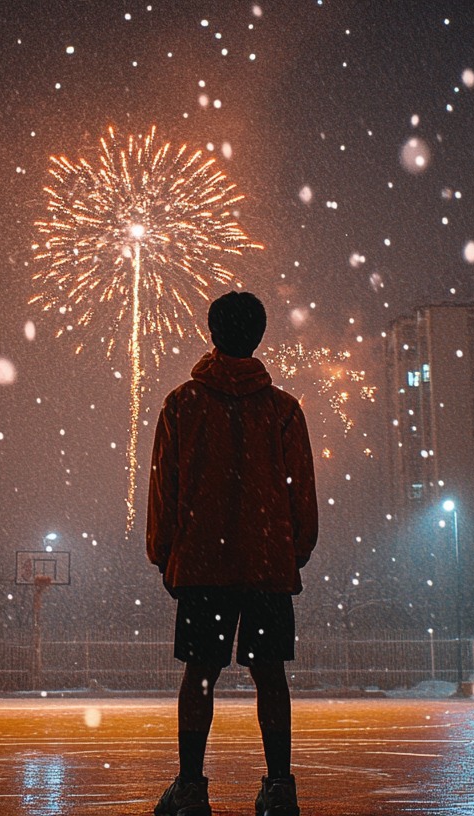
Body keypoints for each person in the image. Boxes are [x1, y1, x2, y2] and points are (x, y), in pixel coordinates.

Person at [147, 291, 317, 816]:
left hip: (202, 562)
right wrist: (293, 552)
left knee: (200, 673)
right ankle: (280, 786)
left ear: (212, 332)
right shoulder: (284, 411)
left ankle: (192, 787)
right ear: (258, 336)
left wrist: (166, 555)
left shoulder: (182, 404)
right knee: (270, 673)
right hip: (267, 563)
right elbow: (301, 495)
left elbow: (164, 489)